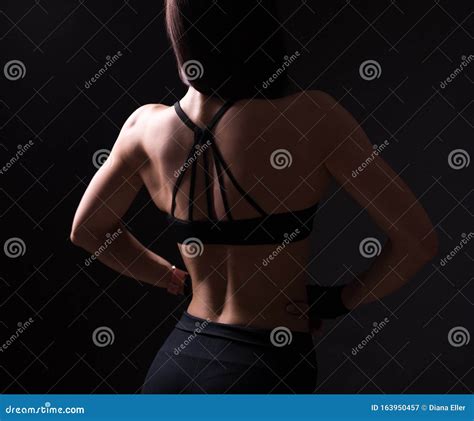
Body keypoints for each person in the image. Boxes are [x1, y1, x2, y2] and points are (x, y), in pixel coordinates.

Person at [70, 0, 438, 393]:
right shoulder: (314, 117)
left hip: (178, 363)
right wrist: (340, 300)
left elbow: (87, 230)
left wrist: (164, 275)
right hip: (264, 366)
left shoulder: (144, 126)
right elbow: (418, 242)